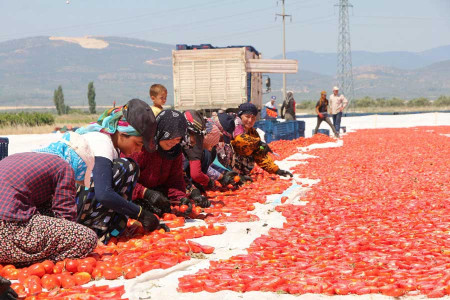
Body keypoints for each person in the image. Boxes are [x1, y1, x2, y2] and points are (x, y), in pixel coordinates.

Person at [0, 132, 97, 267]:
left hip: (6, 232)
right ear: (79, 164)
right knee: (88, 238)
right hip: (8, 235)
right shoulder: (64, 167)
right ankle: (34, 262)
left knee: (47, 206)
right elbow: (65, 215)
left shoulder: (21, 157)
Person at [75, 99, 162, 244]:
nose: (139, 150)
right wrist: (140, 213)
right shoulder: (101, 142)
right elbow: (104, 194)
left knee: (127, 168)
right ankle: (90, 231)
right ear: (122, 134)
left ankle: (106, 229)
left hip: (74, 201)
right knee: (126, 167)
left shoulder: (110, 144)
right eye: (138, 144)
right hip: (63, 207)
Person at [128, 109, 195, 216]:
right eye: (170, 137)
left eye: (178, 138)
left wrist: (181, 198)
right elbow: (125, 180)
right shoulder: (140, 148)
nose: (174, 142)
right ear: (161, 131)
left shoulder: (175, 152)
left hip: (158, 198)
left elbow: (175, 179)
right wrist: (146, 193)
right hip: (132, 198)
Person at [231, 103, 293, 178]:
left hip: (242, 173)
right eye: (247, 117)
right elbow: (239, 139)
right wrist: (258, 143)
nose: (250, 120)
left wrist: (276, 170)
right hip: (227, 170)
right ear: (240, 116)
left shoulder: (253, 133)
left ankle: (241, 174)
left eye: (253, 118)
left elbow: (260, 154)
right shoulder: (234, 127)